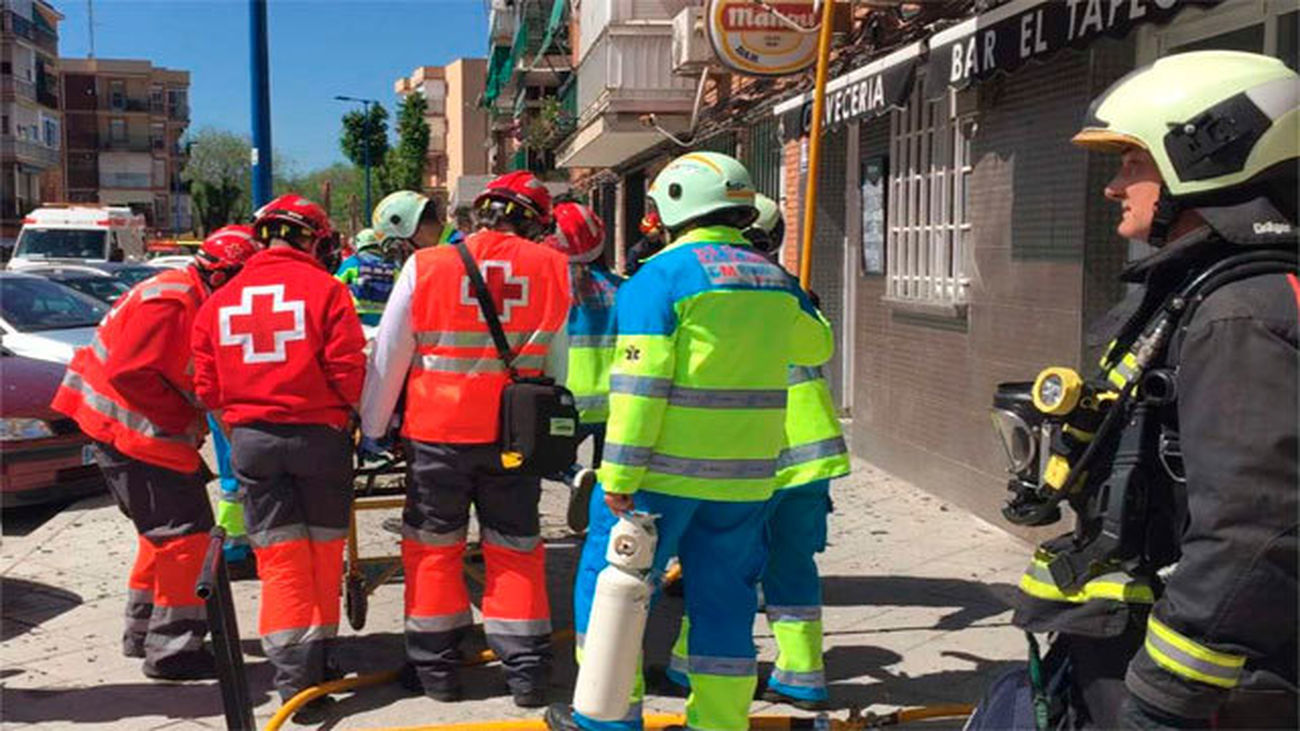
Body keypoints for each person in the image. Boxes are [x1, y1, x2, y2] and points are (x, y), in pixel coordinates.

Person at [974, 51, 1298, 730]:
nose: (1114, 188)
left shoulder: (1240, 313)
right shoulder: (1213, 291)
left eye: (1132, 164)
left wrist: (1164, 697)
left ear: (1205, 158)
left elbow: (1258, 527)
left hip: (1203, 686)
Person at [546, 152, 834, 731]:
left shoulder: (658, 279)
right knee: (724, 602)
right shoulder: (775, 279)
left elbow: (640, 390)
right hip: (745, 480)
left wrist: (619, 477)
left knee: (615, 590)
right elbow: (816, 347)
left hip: (660, 478)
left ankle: (608, 718)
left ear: (672, 207)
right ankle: (720, 722)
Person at [360, 171, 570, 708]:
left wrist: (374, 428)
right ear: (534, 221)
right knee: (516, 549)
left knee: (433, 550)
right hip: (514, 436)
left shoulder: (426, 265)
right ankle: (526, 673)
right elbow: (556, 364)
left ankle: (437, 673)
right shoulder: (552, 267)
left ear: (482, 211)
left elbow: (389, 357)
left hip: (437, 435)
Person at [664, 191, 849, 709]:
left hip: (750, 455)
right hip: (808, 456)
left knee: (720, 566)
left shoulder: (721, 295)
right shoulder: (792, 291)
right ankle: (802, 676)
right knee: (792, 567)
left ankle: (691, 672)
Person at [50, 225, 260, 680]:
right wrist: (186, 416)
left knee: (159, 537)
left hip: (127, 434)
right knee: (188, 539)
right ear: (224, 276)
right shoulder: (173, 301)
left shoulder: (184, 293)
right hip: (134, 436)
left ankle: (144, 632)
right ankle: (175, 650)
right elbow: (131, 374)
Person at [192, 194, 366, 722]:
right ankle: (320, 664)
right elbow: (348, 371)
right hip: (320, 440)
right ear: (313, 238)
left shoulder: (220, 302)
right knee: (323, 554)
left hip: (252, 442)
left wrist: (240, 424)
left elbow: (206, 385)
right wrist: (347, 418)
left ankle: (295, 679)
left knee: (281, 561)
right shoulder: (327, 292)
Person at [542, 201, 623, 532]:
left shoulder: (551, 289)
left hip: (567, 400)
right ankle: (607, 533)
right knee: (611, 475)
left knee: (541, 460)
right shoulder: (624, 289)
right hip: (616, 403)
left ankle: (571, 475)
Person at [204, 224, 262, 577]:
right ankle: (234, 549)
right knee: (235, 479)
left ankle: (235, 547)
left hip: (227, 401)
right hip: (230, 402)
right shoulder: (221, 303)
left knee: (233, 479)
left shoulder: (216, 301)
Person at [335, 227, 399, 327]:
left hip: (359, 314)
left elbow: (335, 284)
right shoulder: (392, 265)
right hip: (384, 315)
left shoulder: (353, 262)